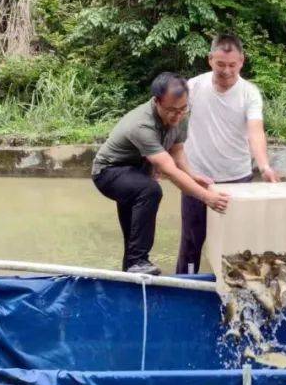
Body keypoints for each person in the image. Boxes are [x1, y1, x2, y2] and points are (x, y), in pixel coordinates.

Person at [92, 72, 230, 276]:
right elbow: (168, 169)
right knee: (150, 190)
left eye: (183, 109)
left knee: (133, 236)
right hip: (109, 173)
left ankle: (132, 272)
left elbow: (177, 151)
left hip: (137, 174)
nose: (177, 115)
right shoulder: (141, 124)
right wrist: (207, 197)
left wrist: (192, 175)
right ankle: (139, 261)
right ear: (157, 102)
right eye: (172, 110)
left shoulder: (181, 115)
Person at [175, 34, 280, 274]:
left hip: (237, 179)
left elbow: (255, 132)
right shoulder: (193, 87)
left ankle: (236, 289)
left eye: (232, 65)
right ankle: (186, 285)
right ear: (210, 59)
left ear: (242, 61)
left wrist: (264, 166)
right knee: (191, 242)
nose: (226, 70)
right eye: (220, 64)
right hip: (198, 180)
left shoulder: (249, 93)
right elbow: (174, 122)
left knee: (238, 244)